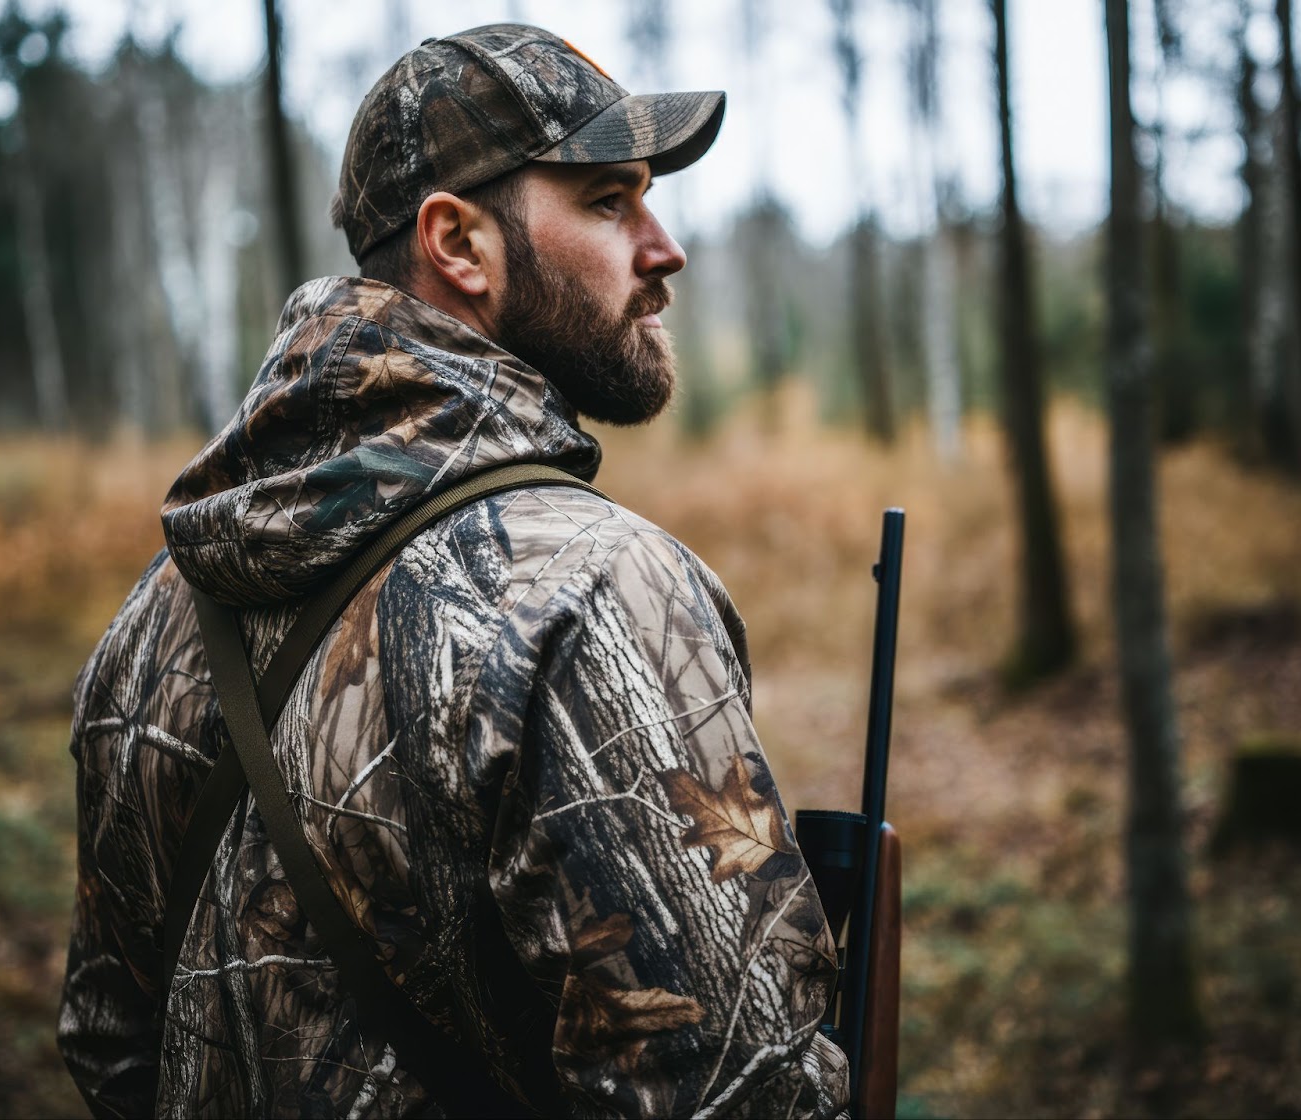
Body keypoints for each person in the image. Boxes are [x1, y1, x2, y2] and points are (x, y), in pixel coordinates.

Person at [58, 23, 848, 1118]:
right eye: (609, 202)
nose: (662, 250)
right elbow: (735, 1092)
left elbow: (107, 1045)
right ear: (460, 245)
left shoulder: (156, 607)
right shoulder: (594, 590)